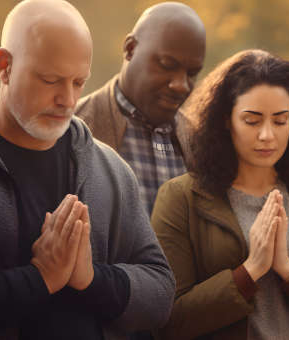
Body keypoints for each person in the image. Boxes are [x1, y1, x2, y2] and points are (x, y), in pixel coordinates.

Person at [0, 1, 174, 339]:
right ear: (5, 66)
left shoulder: (112, 171)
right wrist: (39, 278)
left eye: (78, 82)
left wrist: (90, 278)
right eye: (51, 80)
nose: (68, 100)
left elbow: (161, 294)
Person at [152, 49, 289, 340]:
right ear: (225, 120)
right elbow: (167, 322)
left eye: (280, 121)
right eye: (252, 121)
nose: (267, 135)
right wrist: (250, 270)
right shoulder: (181, 198)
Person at [76, 2, 206, 215]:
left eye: (192, 73)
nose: (181, 84)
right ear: (130, 49)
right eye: (167, 64)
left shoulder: (201, 142)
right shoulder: (73, 129)